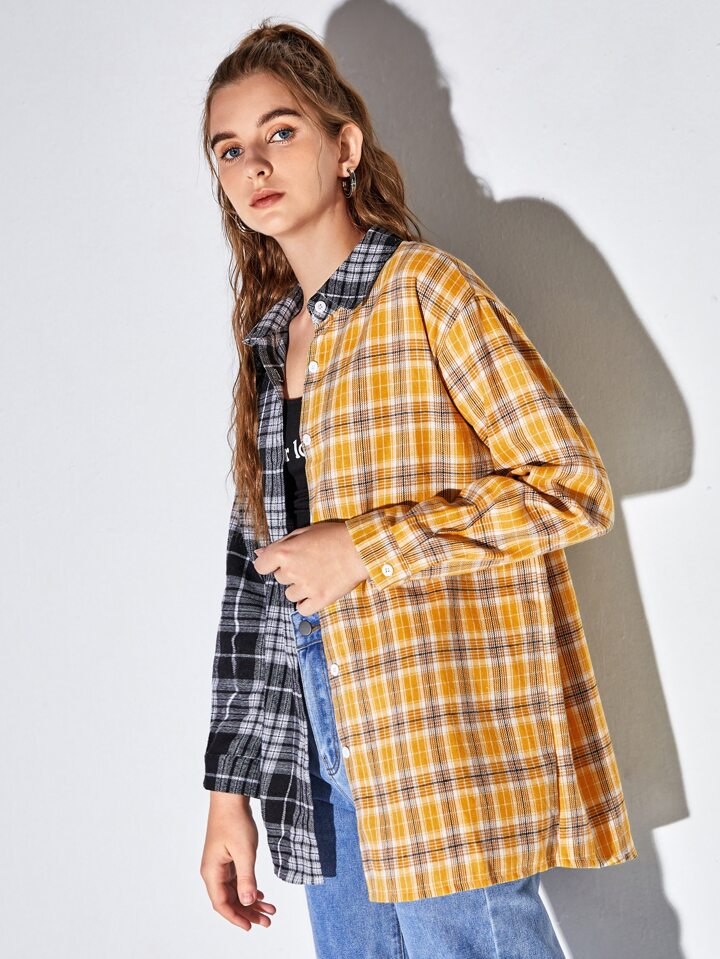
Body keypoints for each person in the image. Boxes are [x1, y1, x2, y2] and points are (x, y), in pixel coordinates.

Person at [198, 18, 638, 958]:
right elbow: (251, 591)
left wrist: (366, 545)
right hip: (311, 743)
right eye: (228, 149)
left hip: (433, 725)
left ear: (345, 146)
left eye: (281, 131)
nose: (254, 164)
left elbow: (573, 484)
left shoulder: (427, 292)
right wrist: (228, 794)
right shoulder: (268, 345)